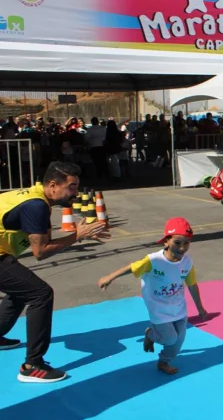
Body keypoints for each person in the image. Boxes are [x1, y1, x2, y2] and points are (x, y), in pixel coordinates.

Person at [0, 162, 108, 383]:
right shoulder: (36, 205)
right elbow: (40, 252)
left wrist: (78, 234)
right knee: (40, 294)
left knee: (21, 289)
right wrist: (77, 236)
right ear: (52, 185)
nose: (76, 193)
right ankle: (32, 366)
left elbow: (45, 241)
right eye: (72, 187)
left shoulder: (39, 199)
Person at [98, 217, 208, 375]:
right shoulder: (154, 260)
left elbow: (191, 284)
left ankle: (163, 362)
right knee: (169, 339)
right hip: (158, 309)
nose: (182, 248)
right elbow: (132, 267)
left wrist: (200, 307)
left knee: (178, 341)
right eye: (177, 242)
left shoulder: (187, 262)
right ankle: (151, 334)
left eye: (186, 243)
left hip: (178, 308)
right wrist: (109, 277)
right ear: (166, 242)